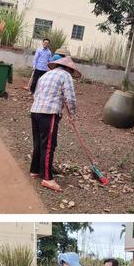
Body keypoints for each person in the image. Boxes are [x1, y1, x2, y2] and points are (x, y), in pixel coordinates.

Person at [30, 56, 81, 192]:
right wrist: (73, 115)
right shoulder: (66, 76)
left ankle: (35, 170)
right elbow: (70, 97)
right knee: (48, 145)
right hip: (49, 112)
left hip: (35, 111)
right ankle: (47, 178)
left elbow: (36, 94)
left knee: (38, 142)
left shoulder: (46, 75)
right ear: (69, 69)